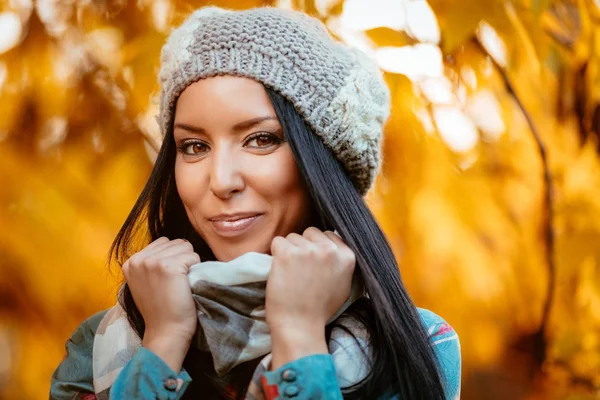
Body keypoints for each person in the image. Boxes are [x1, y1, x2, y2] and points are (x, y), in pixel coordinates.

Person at [50, 6, 461, 400]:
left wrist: (299, 337)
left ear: (322, 163)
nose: (222, 180)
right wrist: (163, 344)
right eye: (194, 146)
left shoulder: (417, 347)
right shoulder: (97, 347)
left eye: (261, 139)